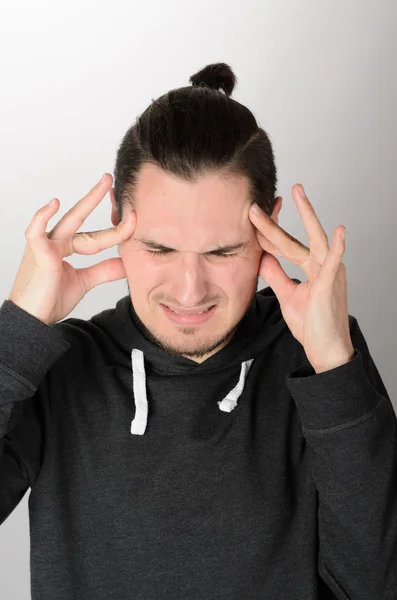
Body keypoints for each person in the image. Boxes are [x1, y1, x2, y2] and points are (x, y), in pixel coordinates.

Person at [0, 62, 396, 600]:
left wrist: (334, 369)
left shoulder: (318, 360)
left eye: (223, 252)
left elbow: (377, 584)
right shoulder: (58, 365)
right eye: (160, 249)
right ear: (119, 220)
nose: (190, 292)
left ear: (271, 229)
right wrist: (18, 332)